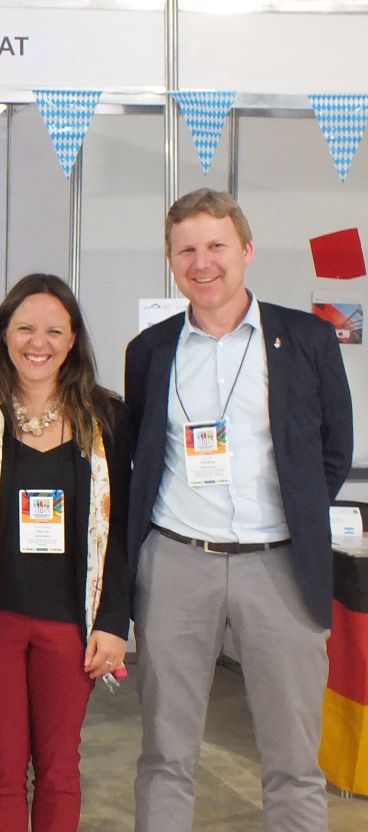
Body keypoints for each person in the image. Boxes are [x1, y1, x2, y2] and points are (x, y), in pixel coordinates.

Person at [126, 189, 352, 832]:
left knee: (293, 760)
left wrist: (297, 516)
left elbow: (335, 448)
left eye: (216, 246)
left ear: (247, 250)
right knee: (166, 753)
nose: (202, 263)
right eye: (186, 250)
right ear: (171, 260)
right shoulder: (150, 351)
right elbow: (143, 448)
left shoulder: (306, 338)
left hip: (281, 565)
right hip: (175, 563)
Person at [0, 273, 130, 832]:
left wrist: (114, 622)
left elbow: (121, 528)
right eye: (24, 328)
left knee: (59, 767)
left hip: (72, 625)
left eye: (53, 331)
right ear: (3, 334)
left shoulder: (108, 417)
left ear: (73, 340)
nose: (37, 343)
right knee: (1, 766)